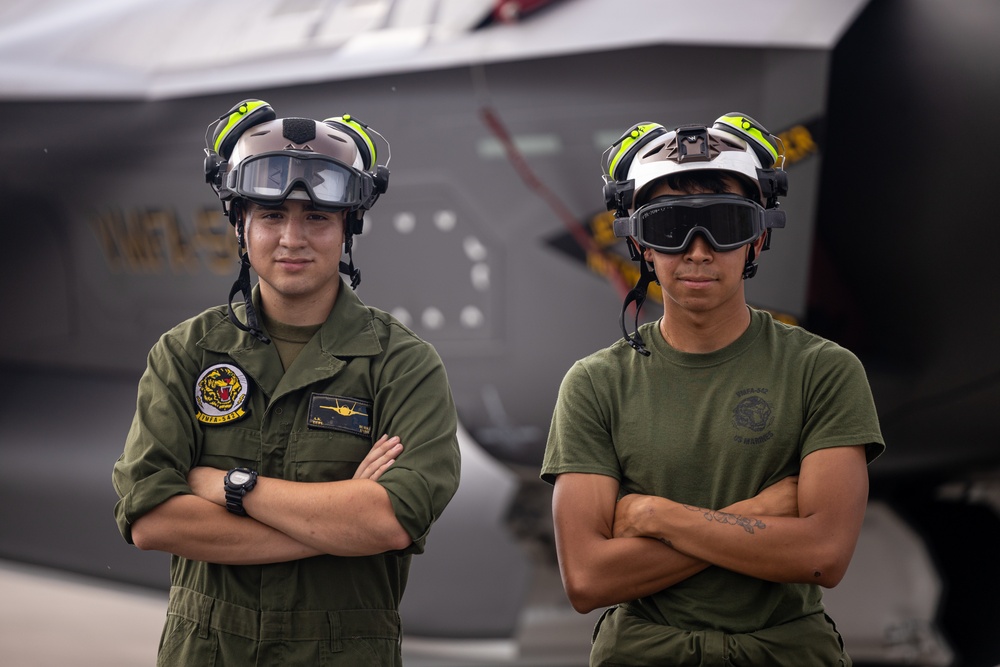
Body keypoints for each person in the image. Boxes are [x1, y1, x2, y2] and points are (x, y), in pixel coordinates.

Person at [113, 99, 461, 666]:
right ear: (239, 225)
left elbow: (391, 519)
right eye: (272, 216)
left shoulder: (403, 365)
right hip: (208, 652)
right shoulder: (185, 353)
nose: (292, 239)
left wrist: (228, 486)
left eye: (317, 218)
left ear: (348, 226)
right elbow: (151, 519)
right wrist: (334, 526)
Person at [541, 113, 884, 666]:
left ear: (759, 236)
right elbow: (586, 578)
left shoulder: (823, 372)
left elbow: (823, 556)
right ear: (642, 245)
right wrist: (766, 511)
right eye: (670, 227)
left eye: (726, 222)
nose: (698, 250)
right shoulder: (596, 385)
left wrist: (656, 516)